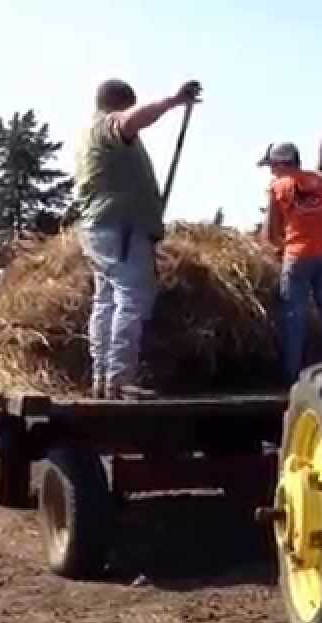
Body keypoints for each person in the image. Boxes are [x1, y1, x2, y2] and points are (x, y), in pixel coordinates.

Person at [74, 78, 201, 400]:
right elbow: (131, 120)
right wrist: (173, 100)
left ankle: (103, 376)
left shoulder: (88, 134)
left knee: (105, 302)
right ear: (122, 103)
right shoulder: (109, 126)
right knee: (132, 296)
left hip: (100, 228)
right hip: (122, 227)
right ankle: (120, 377)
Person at [260, 142, 322, 383]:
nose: (271, 171)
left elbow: (270, 234)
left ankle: (292, 377)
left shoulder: (277, 187)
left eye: (272, 166)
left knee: (293, 317)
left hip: (297, 257)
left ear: (282, 164)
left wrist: (281, 248)